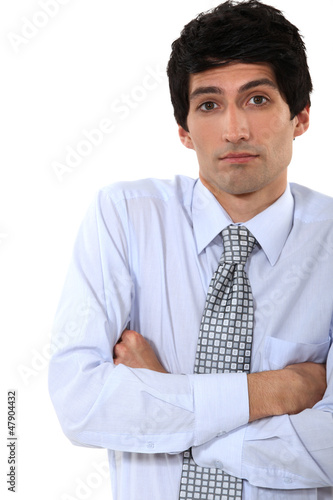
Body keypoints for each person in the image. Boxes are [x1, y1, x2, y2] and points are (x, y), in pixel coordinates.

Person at [48, 1, 333, 499]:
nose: (234, 130)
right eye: (208, 105)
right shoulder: (125, 217)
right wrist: (275, 391)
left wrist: (166, 398)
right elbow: (81, 404)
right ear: (183, 130)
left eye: (258, 99)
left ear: (301, 116)